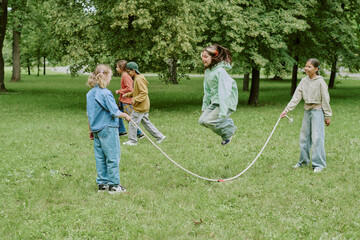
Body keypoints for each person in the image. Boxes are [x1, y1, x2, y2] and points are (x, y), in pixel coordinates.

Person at [280, 58, 332, 173]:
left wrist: (327, 116)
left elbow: (326, 99)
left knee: (317, 138)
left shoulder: (320, 82)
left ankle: (319, 165)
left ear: (316, 69)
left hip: (318, 112)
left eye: (309, 67)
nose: (306, 68)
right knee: (304, 138)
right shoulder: (304, 81)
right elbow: (296, 97)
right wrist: (286, 110)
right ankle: (303, 162)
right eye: (306, 66)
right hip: (307, 111)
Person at [86, 64, 131, 193]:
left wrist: (90, 130)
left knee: (100, 157)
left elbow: (89, 113)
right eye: (110, 76)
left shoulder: (90, 93)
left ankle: (102, 184)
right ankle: (114, 185)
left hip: (96, 130)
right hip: (108, 128)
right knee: (112, 156)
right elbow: (114, 112)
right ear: (105, 76)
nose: (111, 79)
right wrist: (126, 116)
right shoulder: (105, 93)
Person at [198, 44, 238, 145]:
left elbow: (225, 92)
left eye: (206, 56)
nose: (203, 59)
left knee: (210, 121)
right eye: (202, 56)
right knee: (202, 121)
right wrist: (205, 106)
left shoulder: (220, 72)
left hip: (227, 102)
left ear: (214, 57)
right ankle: (227, 126)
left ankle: (228, 129)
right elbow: (207, 91)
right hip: (216, 101)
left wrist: (223, 111)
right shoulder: (208, 72)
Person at [122, 61, 165, 146]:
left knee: (132, 123)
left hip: (140, 106)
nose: (127, 73)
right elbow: (136, 91)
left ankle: (132, 141)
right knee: (146, 122)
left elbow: (144, 92)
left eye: (128, 71)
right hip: (144, 105)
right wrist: (128, 94)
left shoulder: (138, 79)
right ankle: (159, 136)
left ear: (133, 70)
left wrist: (134, 100)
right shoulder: (138, 78)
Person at [115, 60, 144, 139]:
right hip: (122, 100)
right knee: (117, 114)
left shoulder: (126, 76)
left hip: (127, 101)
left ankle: (139, 133)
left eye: (117, 67)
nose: (116, 68)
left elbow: (130, 89)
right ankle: (121, 131)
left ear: (121, 68)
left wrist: (119, 91)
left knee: (129, 118)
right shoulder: (124, 75)